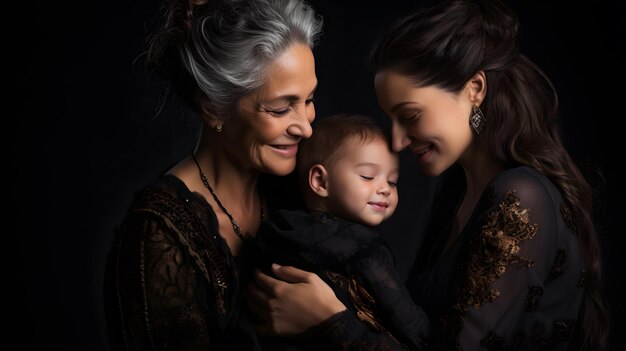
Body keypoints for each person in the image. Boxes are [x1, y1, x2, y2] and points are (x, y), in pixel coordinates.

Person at [248, 0, 609, 350]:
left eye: (410, 115)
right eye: (391, 119)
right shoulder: (459, 189)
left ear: (475, 90)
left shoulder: (521, 195)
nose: (398, 141)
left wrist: (328, 319)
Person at [102, 0, 322, 349]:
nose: (305, 128)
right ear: (212, 107)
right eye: (281, 108)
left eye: (309, 100)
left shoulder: (303, 186)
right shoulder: (158, 233)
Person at [250, 113, 430, 350]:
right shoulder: (365, 249)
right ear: (320, 181)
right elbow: (406, 320)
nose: (385, 189)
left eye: (393, 181)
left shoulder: (279, 228)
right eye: (368, 176)